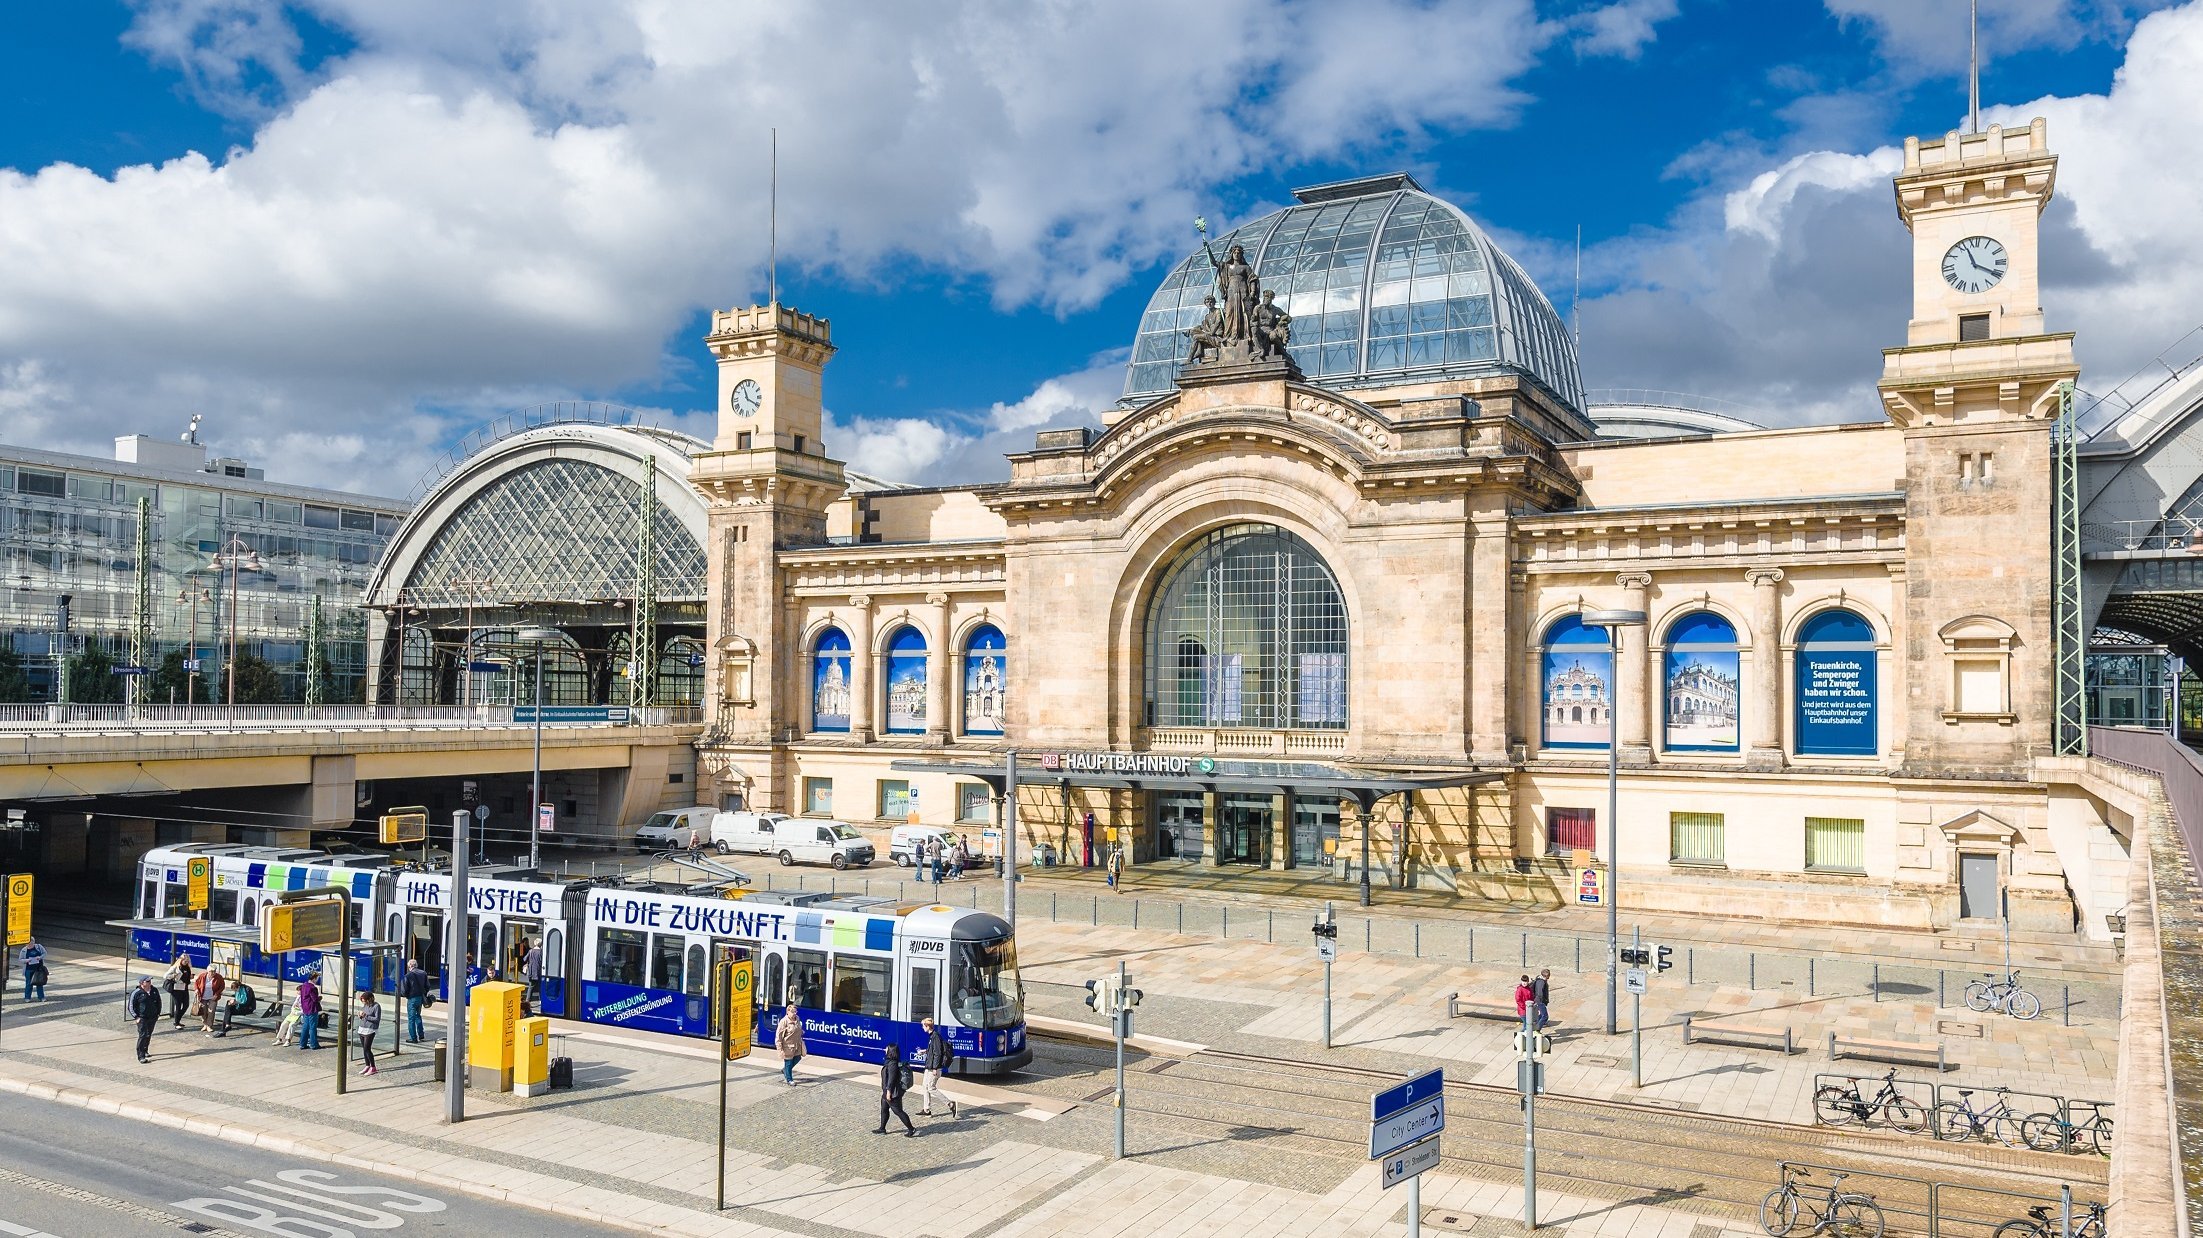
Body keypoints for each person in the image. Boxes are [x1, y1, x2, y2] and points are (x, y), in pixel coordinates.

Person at [874, 1040, 916, 1137]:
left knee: (898, 1111)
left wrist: (889, 1092)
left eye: (887, 1048)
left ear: (891, 1051)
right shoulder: (889, 1061)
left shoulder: (892, 1064)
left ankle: (911, 1128)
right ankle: (882, 1128)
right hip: (886, 1091)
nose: (885, 1049)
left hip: (892, 1092)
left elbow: (892, 1079)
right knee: (884, 1109)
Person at [918, 1016, 956, 1118]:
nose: (922, 1028)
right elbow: (934, 1050)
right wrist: (924, 1051)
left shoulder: (935, 1037)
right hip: (930, 1066)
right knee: (925, 1086)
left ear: (927, 1026)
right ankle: (926, 1109)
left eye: (923, 1026)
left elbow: (938, 1053)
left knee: (931, 1088)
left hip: (933, 1068)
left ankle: (950, 1103)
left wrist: (935, 1068)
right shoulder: (933, 1036)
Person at [128, 977, 162, 1063]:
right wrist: (136, 1017)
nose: (150, 982)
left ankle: (145, 1049)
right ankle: (141, 1055)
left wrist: (158, 1013)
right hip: (142, 1018)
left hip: (152, 1017)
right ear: (141, 983)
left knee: (148, 1034)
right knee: (142, 1035)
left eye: (150, 981)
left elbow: (158, 1002)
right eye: (147, 981)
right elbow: (131, 1006)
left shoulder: (154, 990)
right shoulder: (136, 993)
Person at [401, 959, 431, 1043]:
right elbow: (428, 986)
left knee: (411, 1019)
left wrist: (407, 996)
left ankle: (413, 1038)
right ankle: (421, 1035)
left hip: (412, 999)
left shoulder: (408, 976)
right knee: (418, 1016)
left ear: (410, 966)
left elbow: (404, 990)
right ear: (416, 965)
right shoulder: (423, 973)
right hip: (420, 998)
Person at [162, 955, 193, 1028]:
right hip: (176, 988)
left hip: (184, 987)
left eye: (187, 961)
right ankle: (176, 1023)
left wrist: (190, 977)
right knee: (178, 1006)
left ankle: (178, 1020)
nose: (186, 962)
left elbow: (186, 977)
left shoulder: (188, 968)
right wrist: (174, 975)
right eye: (185, 961)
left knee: (186, 1005)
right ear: (181, 960)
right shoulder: (175, 967)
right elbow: (165, 975)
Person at [354, 990, 381, 1075]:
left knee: (367, 1048)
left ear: (369, 999)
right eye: (363, 1002)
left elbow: (377, 1019)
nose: (364, 1003)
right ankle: (367, 1065)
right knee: (364, 1049)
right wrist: (361, 1016)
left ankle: (373, 1067)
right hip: (362, 1027)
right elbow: (364, 1016)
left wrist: (366, 1016)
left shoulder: (376, 1006)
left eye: (365, 1001)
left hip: (370, 1029)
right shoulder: (365, 1005)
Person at [193, 965, 226, 1035]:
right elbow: (196, 983)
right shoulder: (202, 976)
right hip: (203, 996)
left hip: (213, 997)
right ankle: (205, 1024)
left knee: (211, 1011)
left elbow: (222, 986)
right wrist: (196, 990)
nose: (213, 973)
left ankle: (209, 1025)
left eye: (214, 971)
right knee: (203, 1011)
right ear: (208, 971)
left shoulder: (219, 977)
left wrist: (216, 994)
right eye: (211, 971)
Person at [777, 1007, 805, 1086]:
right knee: (788, 1062)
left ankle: (785, 1070)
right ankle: (789, 1079)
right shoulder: (784, 1022)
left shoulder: (797, 1018)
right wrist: (780, 1049)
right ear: (787, 1012)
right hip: (788, 1046)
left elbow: (798, 1028)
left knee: (798, 1058)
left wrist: (801, 1032)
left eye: (796, 1011)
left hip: (797, 1044)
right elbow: (778, 1036)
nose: (794, 1013)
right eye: (793, 1011)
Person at [295, 974, 322, 1051]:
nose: (317, 980)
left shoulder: (304, 986)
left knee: (305, 1027)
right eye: (317, 978)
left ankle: (302, 1044)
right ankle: (313, 1044)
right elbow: (315, 999)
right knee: (313, 1027)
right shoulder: (313, 988)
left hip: (305, 1009)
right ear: (314, 978)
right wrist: (320, 998)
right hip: (312, 1009)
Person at [20, 937, 46, 1001]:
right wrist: (27, 960)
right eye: (29, 944)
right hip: (29, 969)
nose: (30, 945)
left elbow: (44, 953)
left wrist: (40, 957)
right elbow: (20, 959)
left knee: (39, 983)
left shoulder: (39, 947)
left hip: (38, 969)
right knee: (29, 984)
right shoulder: (23, 950)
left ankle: (41, 997)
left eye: (32, 944)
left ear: (34, 942)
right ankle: (27, 997)